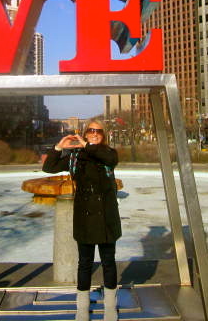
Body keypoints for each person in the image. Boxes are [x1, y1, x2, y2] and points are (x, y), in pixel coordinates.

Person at [43, 119, 121, 321]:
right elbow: (49, 167)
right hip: (84, 217)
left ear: (103, 135)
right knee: (84, 263)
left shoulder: (108, 153)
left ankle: (110, 307)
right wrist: (59, 147)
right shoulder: (76, 157)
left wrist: (87, 146)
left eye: (99, 131)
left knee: (108, 262)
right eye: (91, 130)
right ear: (85, 133)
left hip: (106, 217)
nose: (95, 133)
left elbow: (109, 160)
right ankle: (82, 308)